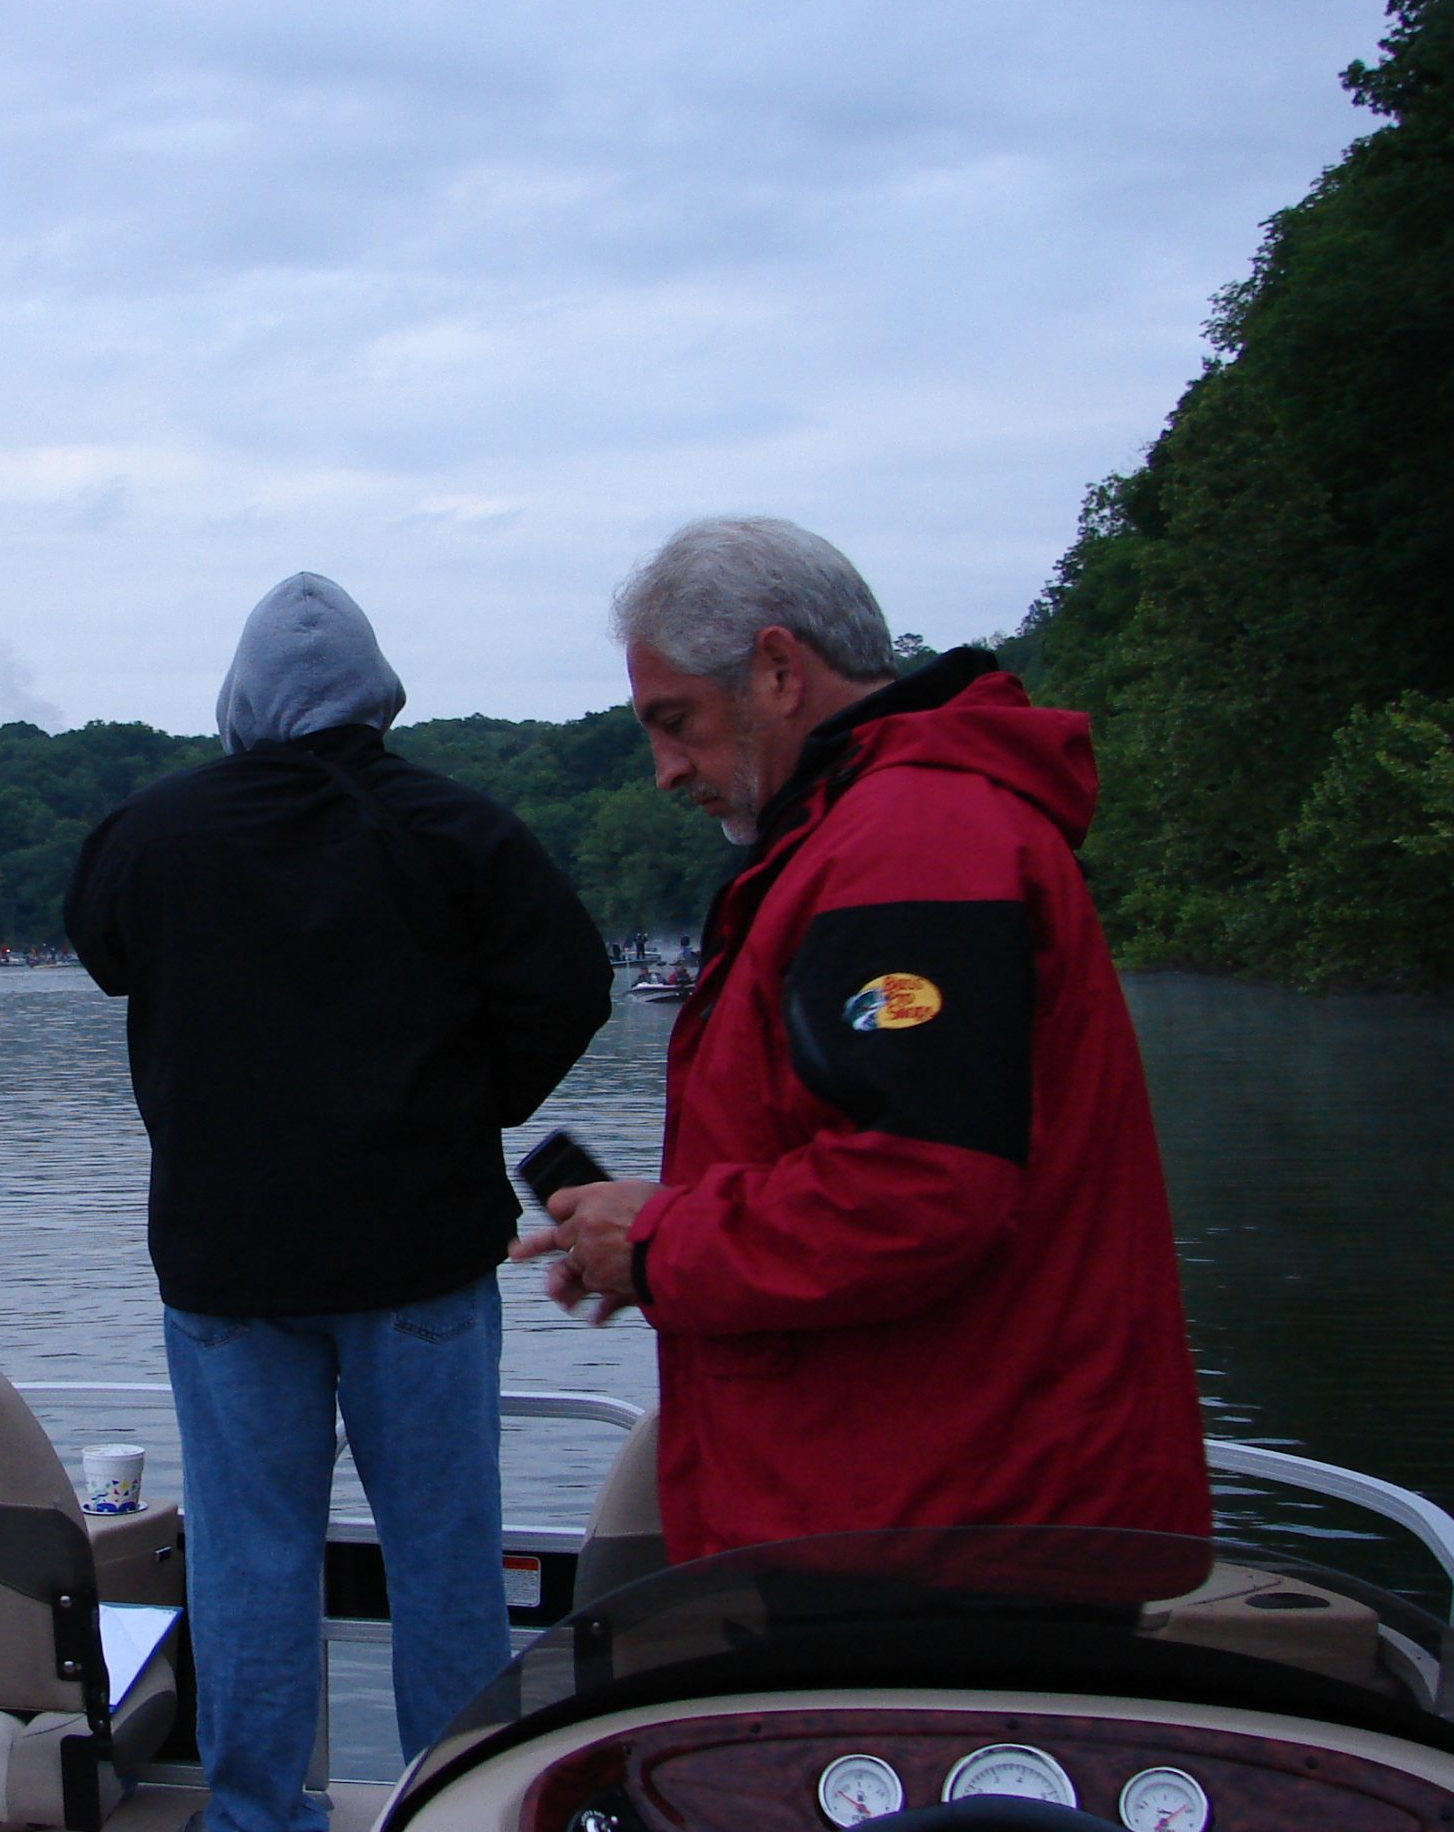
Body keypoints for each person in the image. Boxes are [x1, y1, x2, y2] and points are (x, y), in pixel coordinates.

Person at [514, 516, 1210, 1564]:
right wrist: (649, 1244)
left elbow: (919, 1191)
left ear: (777, 670)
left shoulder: (912, 844)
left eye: (676, 720)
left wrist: (662, 1241)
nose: (664, 769)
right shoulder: (868, 835)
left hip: (948, 1526)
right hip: (917, 1500)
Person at [66, 573, 611, 1832]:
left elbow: (104, 953)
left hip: (228, 1269)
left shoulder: (150, 835)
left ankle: (258, 1816)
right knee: (445, 1558)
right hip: (420, 1258)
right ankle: (459, 1811)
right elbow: (572, 984)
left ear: (240, 700)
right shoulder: (460, 831)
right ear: (379, 698)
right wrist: (472, 1099)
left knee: (249, 1557)